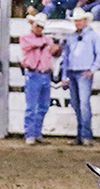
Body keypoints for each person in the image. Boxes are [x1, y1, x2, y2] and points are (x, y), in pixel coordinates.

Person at [61, 8, 100, 146]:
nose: (78, 23)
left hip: (83, 73)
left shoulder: (93, 36)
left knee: (83, 105)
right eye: (76, 21)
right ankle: (82, 136)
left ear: (85, 21)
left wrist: (92, 69)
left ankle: (85, 135)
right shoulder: (71, 37)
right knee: (77, 104)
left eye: (79, 20)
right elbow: (66, 58)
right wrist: (64, 75)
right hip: (73, 72)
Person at [20, 13, 61, 145]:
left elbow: (55, 52)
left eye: (41, 27)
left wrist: (57, 48)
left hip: (45, 74)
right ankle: (30, 134)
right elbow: (33, 45)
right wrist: (48, 44)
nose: (39, 29)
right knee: (32, 107)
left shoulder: (45, 40)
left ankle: (36, 133)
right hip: (34, 74)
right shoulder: (26, 38)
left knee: (43, 106)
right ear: (33, 25)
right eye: (38, 26)